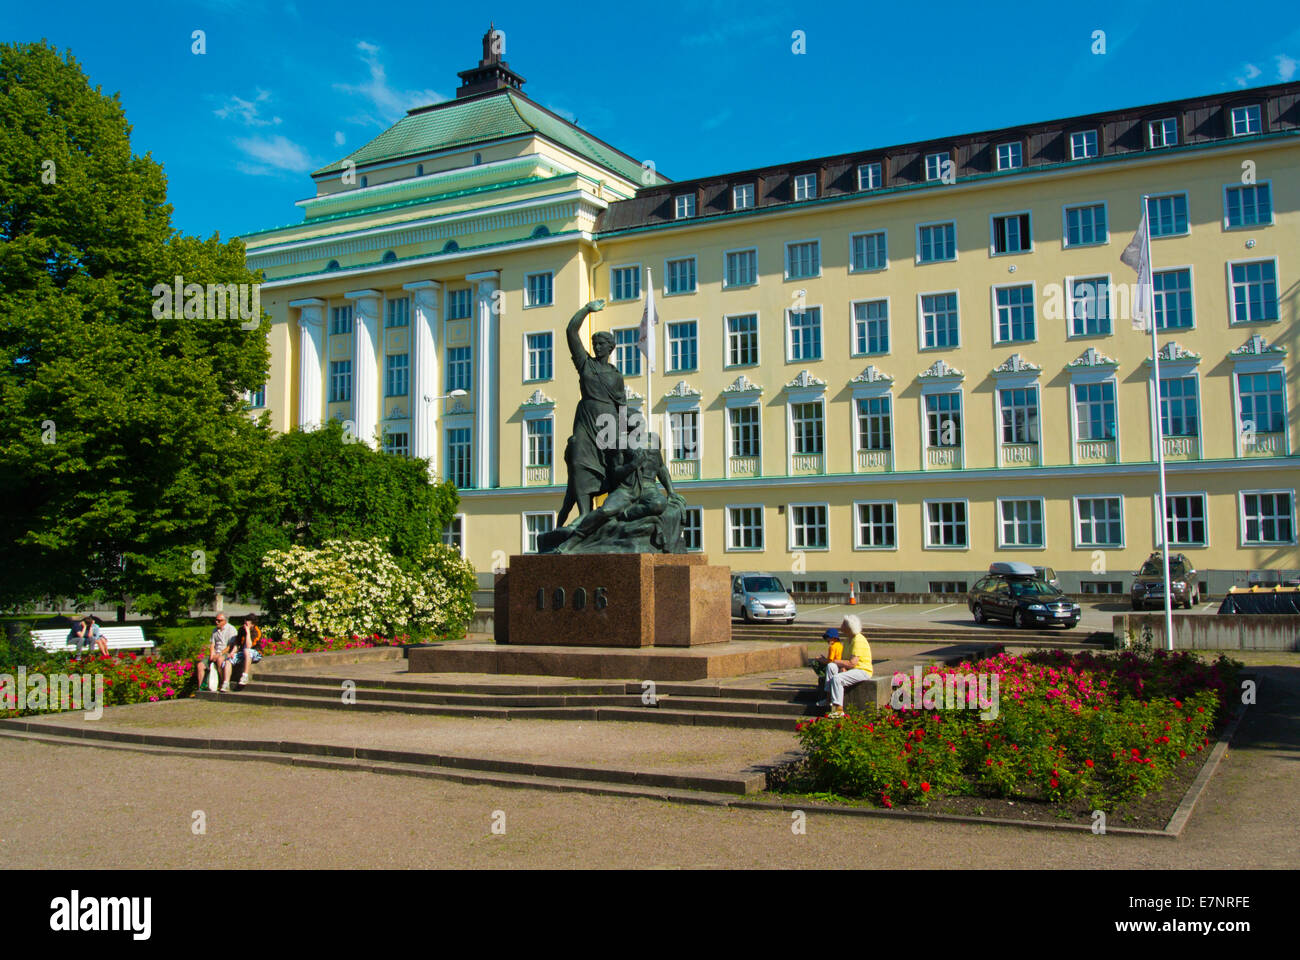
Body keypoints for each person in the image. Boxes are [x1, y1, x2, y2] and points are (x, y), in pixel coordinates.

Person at [564, 298, 626, 518]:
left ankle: (616, 510)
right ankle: (583, 513)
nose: (597, 347)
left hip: (608, 421)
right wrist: (586, 310)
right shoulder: (585, 364)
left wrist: (623, 432)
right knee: (579, 456)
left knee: (615, 461)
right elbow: (571, 331)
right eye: (595, 344)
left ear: (610, 348)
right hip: (586, 419)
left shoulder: (616, 376)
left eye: (601, 344)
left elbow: (622, 405)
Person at [824, 614, 873, 718]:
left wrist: (839, 663)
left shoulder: (858, 640)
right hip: (852, 669)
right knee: (830, 666)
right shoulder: (847, 640)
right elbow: (844, 660)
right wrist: (841, 666)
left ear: (849, 627)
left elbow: (852, 663)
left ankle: (839, 708)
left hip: (862, 670)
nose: (841, 626)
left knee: (837, 679)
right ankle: (828, 698)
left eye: (843, 624)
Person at [197, 613, 238, 693]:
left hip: (226, 652)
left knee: (220, 660)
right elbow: (212, 644)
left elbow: (230, 646)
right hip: (216, 652)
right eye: (216, 620)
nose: (217, 622)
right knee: (200, 665)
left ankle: (223, 683)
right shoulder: (215, 630)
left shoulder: (231, 629)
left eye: (219, 620)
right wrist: (212, 654)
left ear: (225, 621)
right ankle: (200, 688)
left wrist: (219, 654)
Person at [227, 614, 263, 686]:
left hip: (255, 652)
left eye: (247, 623)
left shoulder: (256, 632)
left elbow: (249, 646)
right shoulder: (241, 629)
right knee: (228, 660)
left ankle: (245, 676)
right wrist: (232, 652)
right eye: (244, 622)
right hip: (243, 652)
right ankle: (226, 682)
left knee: (247, 651)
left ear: (252, 624)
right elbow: (237, 644)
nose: (245, 624)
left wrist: (247, 632)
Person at [810, 628, 842, 701]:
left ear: (832, 638)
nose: (826, 640)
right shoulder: (839, 645)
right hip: (838, 665)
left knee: (814, 663)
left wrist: (819, 659)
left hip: (834, 666)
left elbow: (829, 661)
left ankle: (823, 676)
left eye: (827, 638)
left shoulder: (832, 647)